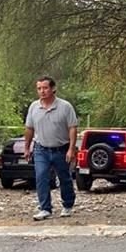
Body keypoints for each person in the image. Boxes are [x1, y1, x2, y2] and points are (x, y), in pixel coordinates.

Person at [24, 76, 78, 220]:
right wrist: (27, 147)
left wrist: (71, 149)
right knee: (41, 177)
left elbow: (72, 128)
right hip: (41, 148)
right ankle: (45, 208)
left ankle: (67, 204)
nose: (42, 91)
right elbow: (29, 128)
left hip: (61, 148)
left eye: (45, 88)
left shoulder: (65, 107)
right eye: (39, 88)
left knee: (64, 178)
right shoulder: (34, 107)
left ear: (53, 89)